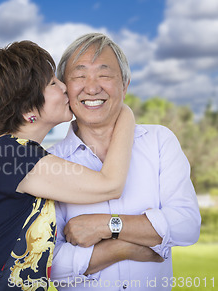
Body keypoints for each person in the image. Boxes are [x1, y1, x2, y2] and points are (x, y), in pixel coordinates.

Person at [0, 40, 135, 291]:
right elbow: (110, 184)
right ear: (29, 106)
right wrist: (124, 111)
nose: (64, 87)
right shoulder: (11, 155)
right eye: (52, 83)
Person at [47, 33, 201, 290]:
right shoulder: (50, 162)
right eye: (79, 76)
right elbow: (49, 265)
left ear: (125, 85)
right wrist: (122, 248)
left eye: (104, 75)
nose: (92, 87)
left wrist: (106, 226)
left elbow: (186, 225)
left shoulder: (159, 141)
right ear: (64, 89)